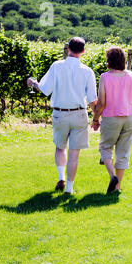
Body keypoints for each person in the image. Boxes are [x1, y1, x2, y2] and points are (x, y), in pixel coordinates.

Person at [27, 37, 97, 195]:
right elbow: (93, 99)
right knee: (74, 153)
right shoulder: (88, 71)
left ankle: (61, 178)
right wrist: (96, 118)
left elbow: (44, 89)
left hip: (60, 113)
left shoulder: (57, 66)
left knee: (60, 148)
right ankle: (69, 188)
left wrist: (32, 83)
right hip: (79, 114)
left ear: (68, 49)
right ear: (83, 51)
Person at [91, 46, 132, 194]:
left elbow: (102, 103)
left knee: (105, 148)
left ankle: (112, 177)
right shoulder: (130, 75)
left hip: (111, 118)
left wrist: (95, 119)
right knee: (123, 152)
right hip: (130, 118)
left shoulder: (105, 77)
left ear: (109, 61)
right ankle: (117, 188)